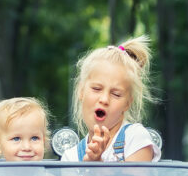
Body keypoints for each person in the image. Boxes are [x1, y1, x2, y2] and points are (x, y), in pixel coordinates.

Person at [60, 35, 160, 163]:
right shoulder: (71, 157)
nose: (104, 99)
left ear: (127, 103)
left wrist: (96, 164)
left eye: (116, 94)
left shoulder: (135, 138)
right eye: (96, 89)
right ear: (81, 90)